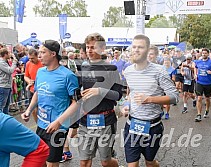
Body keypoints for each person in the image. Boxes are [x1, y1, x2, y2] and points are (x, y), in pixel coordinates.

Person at [122, 34, 179, 167]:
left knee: (150, 162)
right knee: (132, 165)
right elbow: (131, 93)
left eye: (140, 47)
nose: (136, 50)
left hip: (152, 127)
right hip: (132, 125)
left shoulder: (159, 71)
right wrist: (126, 105)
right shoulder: (129, 71)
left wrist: (150, 99)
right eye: (134, 46)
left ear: (147, 50)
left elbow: (174, 96)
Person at [21, 40, 79, 167]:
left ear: (53, 54)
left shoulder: (68, 75)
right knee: (40, 159)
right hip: (41, 124)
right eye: (39, 52)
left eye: (43, 52)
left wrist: (59, 122)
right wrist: (29, 110)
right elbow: (38, 92)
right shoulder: (41, 72)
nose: (39, 55)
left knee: (52, 163)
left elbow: (76, 103)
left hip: (58, 127)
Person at [78, 33, 123, 167]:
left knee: (105, 162)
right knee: (84, 161)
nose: (90, 50)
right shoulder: (83, 67)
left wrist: (99, 91)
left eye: (93, 47)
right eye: (88, 47)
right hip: (86, 119)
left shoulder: (111, 68)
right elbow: (78, 90)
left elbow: (118, 95)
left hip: (105, 120)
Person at [194, 48, 211, 122]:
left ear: (208, 54)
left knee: (207, 98)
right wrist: (195, 74)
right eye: (203, 53)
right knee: (199, 98)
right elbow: (195, 67)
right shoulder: (198, 61)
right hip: (199, 82)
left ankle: (207, 110)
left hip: (208, 83)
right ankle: (199, 115)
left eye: (205, 53)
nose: (204, 54)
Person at [24, 48, 43, 122]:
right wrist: (29, 81)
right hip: (32, 90)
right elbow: (25, 76)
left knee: (42, 110)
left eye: (32, 58)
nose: (31, 60)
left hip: (41, 90)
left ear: (37, 56)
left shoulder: (42, 63)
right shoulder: (28, 64)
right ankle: (38, 125)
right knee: (34, 111)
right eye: (29, 58)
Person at [0, 48, 18, 114]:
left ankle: (5, 119)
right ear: (5, 54)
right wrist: (14, 61)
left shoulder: (4, 62)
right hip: (3, 86)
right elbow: (10, 71)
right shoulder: (1, 62)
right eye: (9, 53)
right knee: (2, 105)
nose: (11, 54)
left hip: (7, 86)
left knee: (6, 105)